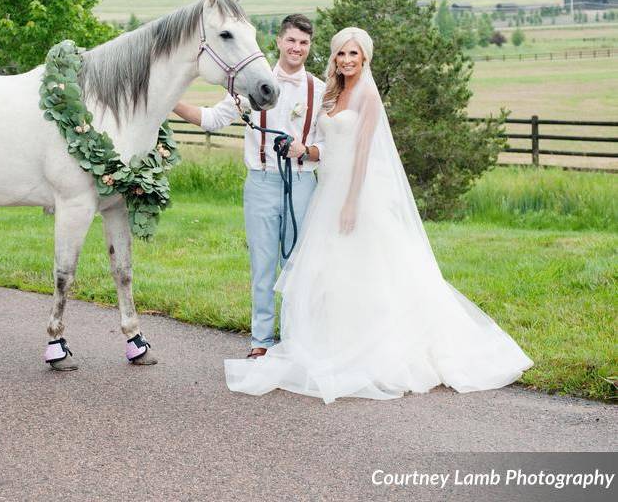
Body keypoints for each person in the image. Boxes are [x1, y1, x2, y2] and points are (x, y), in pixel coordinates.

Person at [224, 27, 533, 403]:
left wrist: (352, 201)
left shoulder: (368, 95)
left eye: (354, 55)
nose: (347, 60)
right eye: (341, 54)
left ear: (364, 58)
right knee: (329, 270)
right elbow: (326, 144)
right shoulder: (333, 92)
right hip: (327, 188)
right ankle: (331, 340)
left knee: (366, 266)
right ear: (334, 57)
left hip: (355, 190)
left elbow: (364, 155)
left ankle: (376, 345)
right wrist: (303, 150)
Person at [174, 14, 326, 359]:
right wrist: (170, 101)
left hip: (302, 183)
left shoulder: (319, 90)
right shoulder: (253, 84)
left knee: (297, 264)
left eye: (303, 43)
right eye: (291, 41)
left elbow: (329, 146)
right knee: (263, 264)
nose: (296, 48)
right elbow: (213, 119)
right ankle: (261, 339)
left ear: (309, 47)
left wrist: (306, 150)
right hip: (260, 183)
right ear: (279, 41)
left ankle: (295, 338)